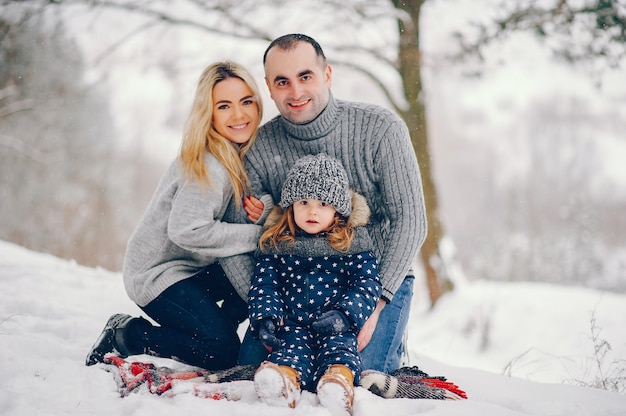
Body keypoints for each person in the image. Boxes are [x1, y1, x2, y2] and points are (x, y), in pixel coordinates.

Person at [239, 33, 427, 374]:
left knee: (355, 375)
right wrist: (267, 311)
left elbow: (410, 221)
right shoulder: (260, 147)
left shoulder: (381, 129)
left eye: (305, 76)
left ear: (327, 74)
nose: (295, 92)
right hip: (290, 283)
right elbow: (242, 230)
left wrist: (375, 305)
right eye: (283, 82)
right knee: (254, 373)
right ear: (269, 87)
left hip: (371, 278)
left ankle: (390, 339)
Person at [85, 61, 270, 370]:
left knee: (261, 276)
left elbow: (250, 196)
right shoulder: (210, 163)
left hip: (194, 268)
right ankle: (126, 334)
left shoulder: (237, 151)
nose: (239, 115)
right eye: (224, 106)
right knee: (221, 353)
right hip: (157, 274)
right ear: (208, 113)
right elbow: (187, 230)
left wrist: (264, 210)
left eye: (246, 101)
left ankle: (206, 330)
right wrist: (257, 236)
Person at [248, 153, 382, 414]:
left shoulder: (352, 244)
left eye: (323, 203)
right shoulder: (277, 244)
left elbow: (367, 283)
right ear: (291, 205)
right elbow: (265, 285)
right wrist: (266, 317)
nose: (312, 211)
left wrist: (345, 315)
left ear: (337, 209)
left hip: (335, 324)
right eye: (304, 202)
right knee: (287, 353)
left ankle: (338, 382)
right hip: (292, 324)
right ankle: (284, 380)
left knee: (340, 352)